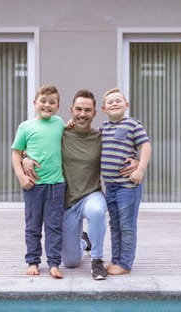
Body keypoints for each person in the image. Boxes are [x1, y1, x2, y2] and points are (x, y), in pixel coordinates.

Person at [23, 89, 138, 280]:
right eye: (78, 109)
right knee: (70, 261)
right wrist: (26, 157)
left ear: (94, 113)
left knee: (96, 211)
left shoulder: (100, 136)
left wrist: (134, 160)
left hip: (91, 195)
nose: (82, 114)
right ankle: (84, 242)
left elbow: (123, 148)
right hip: (66, 203)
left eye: (87, 110)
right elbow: (39, 144)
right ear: (71, 110)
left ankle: (97, 261)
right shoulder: (61, 132)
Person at [11, 84, 65, 279]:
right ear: (35, 103)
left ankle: (53, 263)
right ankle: (33, 261)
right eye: (43, 101)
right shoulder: (26, 127)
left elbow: (69, 136)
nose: (47, 105)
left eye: (52, 102)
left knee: (54, 226)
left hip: (57, 185)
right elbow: (16, 153)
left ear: (58, 105)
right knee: (33, 225)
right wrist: (21, 176)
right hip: (33, 186)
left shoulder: (60, 123)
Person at [100, 87, 151, 275]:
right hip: (110, 186)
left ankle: (125, 264)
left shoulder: (132, 125)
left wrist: (140, 168)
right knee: (115, 224)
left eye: (118, 100)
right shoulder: (102, 128)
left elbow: (145, 146)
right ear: (104, 108)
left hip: (127, 186)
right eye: (110, 101)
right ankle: (116, 260)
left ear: (126, 105)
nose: (114, 103)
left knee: (127, 225)